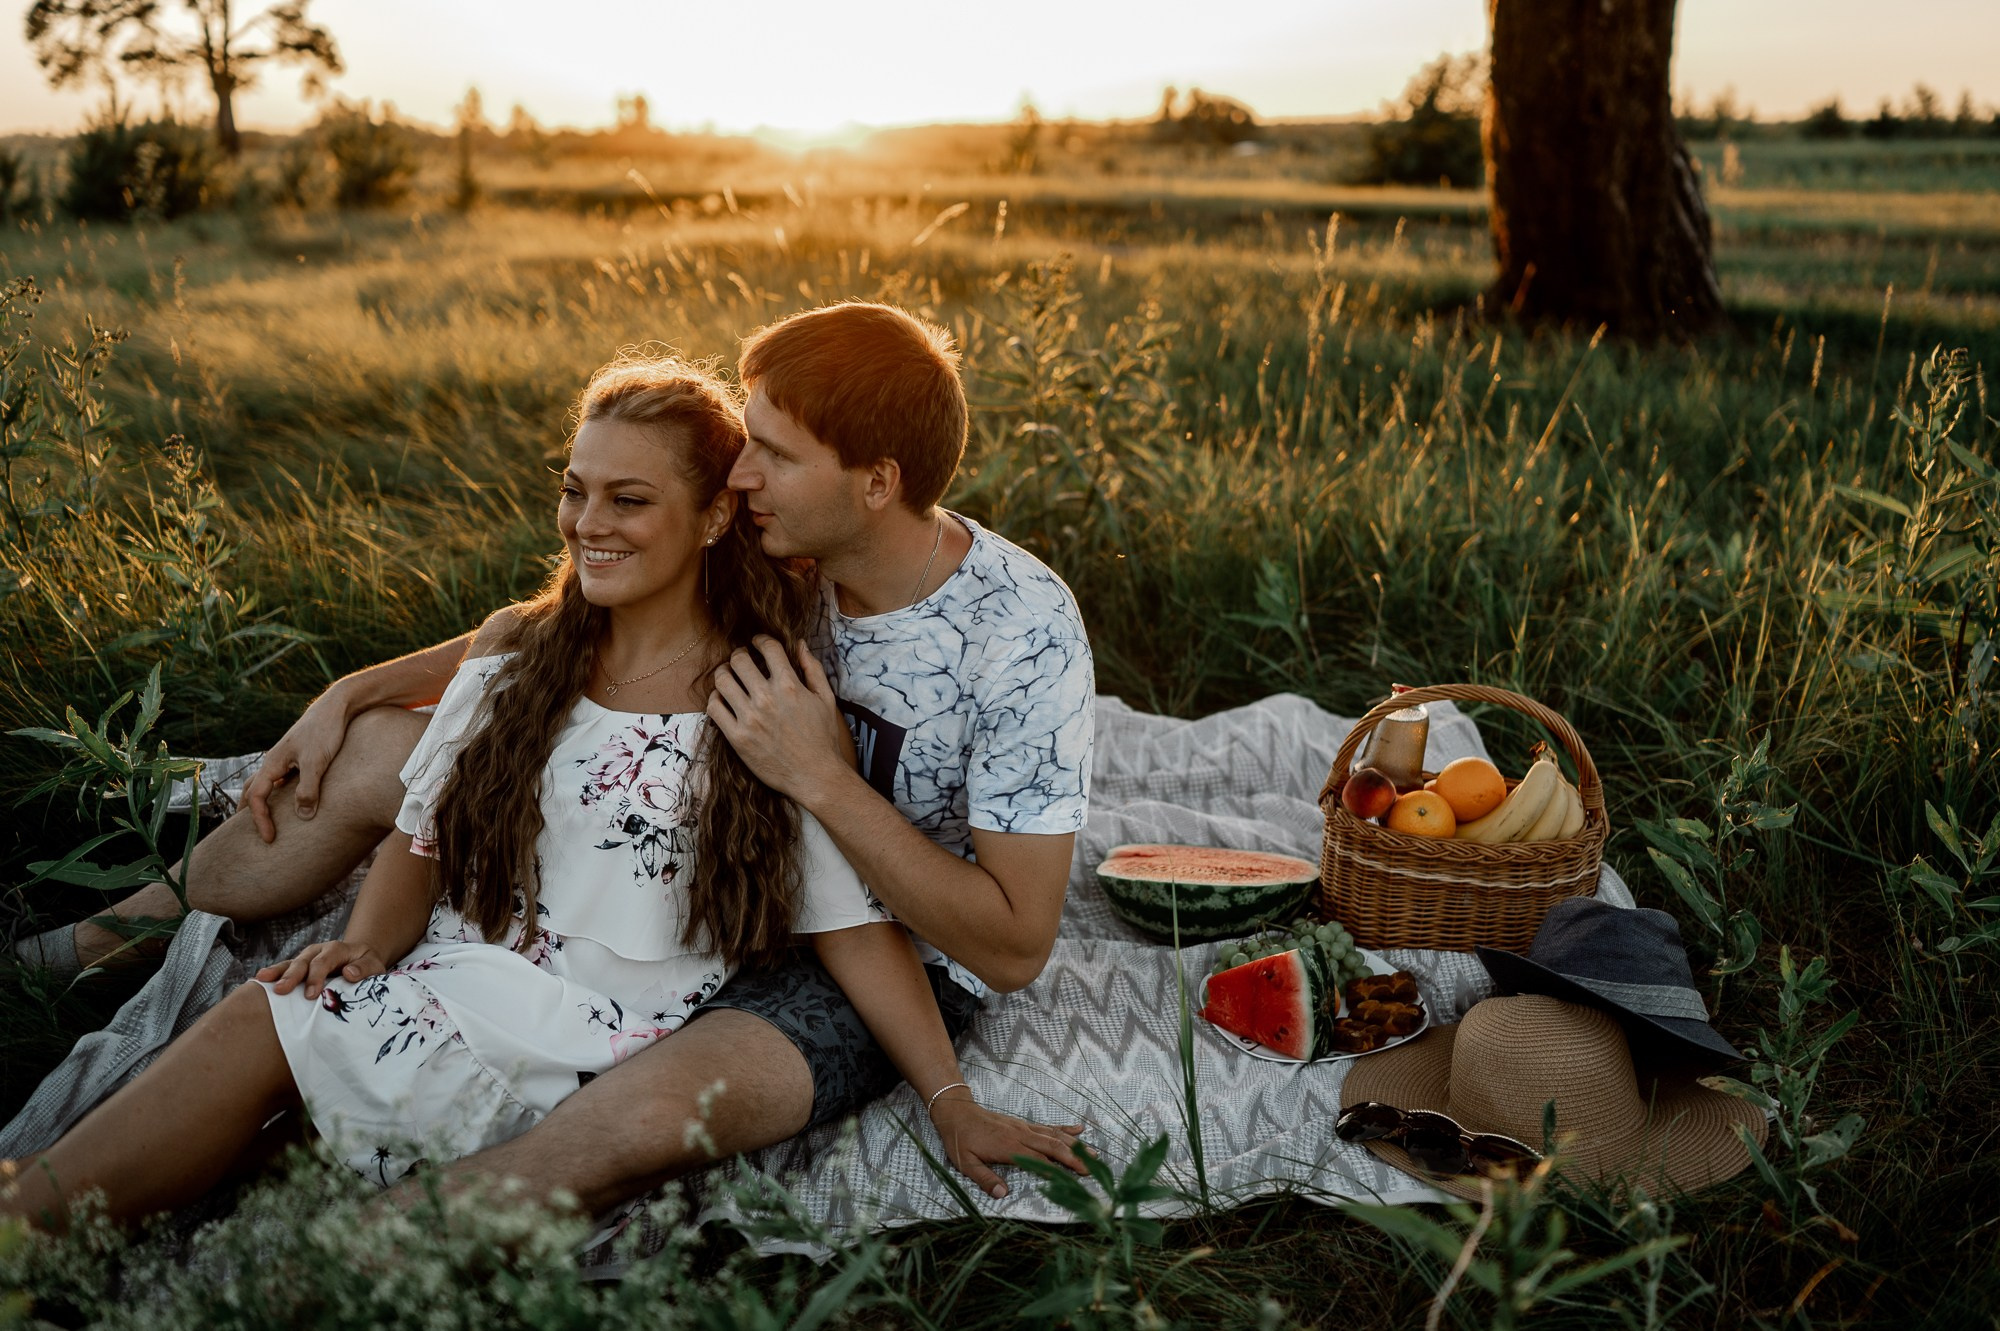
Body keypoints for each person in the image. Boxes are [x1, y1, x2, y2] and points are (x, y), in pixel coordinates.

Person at [12, 302, 1096, 1216]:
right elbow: (554, 619)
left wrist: (817, 776)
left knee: (602, 1121)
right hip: (664, 852)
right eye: (745, 442)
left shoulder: (1013, 632)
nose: (745, 467)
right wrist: (356, 687)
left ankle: (339, 1244)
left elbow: (1001, 944)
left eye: (771, 452)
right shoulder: (777, 547)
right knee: (386, 757)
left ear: (875, 483)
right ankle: (98, 941)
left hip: (840, 917)